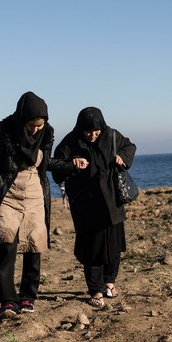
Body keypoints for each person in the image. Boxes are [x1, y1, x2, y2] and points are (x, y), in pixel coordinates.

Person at [0, 91, 70, 319]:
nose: (36, 129)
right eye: (32, 125)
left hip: (35, 191)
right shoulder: (4, 129)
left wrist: (71, 166)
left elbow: (46, 163)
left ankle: (28, 296)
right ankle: (8, 301)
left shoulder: (47, 132)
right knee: (6, 242)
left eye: (40, 125)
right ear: (22, 118)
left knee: (34, 243)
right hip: (8, 191)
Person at [52, 107, 136, 307]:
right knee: (92, 249)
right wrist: (72, 164)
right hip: (86, 205)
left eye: (96, 130)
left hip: (112, 202)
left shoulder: (112, 136)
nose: (92, 134)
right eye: (87, 131)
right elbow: (55, 166)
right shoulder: (70, 142)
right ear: (80, 128)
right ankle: (95, 290)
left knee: (113, 246)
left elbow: (130, 146)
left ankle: (110, 282)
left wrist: (123, 156)